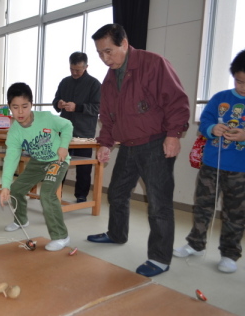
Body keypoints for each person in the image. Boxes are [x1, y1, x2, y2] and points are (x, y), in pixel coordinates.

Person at [86, 24, 190, 277]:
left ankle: (159, 258)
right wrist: (105, 144)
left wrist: (173, 135)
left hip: (155, 143)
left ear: (124, 43)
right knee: (118, 192)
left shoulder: (153, 64)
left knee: (158, 204)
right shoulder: (110, 79)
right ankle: (116, 233)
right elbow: (108, 117)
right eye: (100, 53)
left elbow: (177, 101)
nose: (104, 58)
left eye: (108, 51)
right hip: (129, 146)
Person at [173, 50, 245, 273]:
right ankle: (195, 244)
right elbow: (205, 122)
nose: (242, 86)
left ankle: (230, 254)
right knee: (203, 206)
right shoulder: (220, 98)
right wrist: (213, 129)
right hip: (212, 164)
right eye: (239, 81)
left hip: (240, 170)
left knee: (235, 212)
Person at [0, 82, 73, 251]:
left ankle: (62, 236)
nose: (20, 112)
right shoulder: (14, 132)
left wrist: (63, 145)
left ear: (31, 104)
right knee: (16, 189)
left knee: (47, 194)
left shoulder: (46, 118)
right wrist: (5, 186)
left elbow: (67, 125)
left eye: (24, 106)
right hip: (37, 162)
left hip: (57, 160)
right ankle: (21, 220)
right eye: (15, 107)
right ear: (9, 107)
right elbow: (11, 158)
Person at [53, 52, 101, 203]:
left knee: (84, 167)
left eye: (78, 70)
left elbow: (98, 108)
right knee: (60, 163)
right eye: (72, 69)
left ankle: (81, 196)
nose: (74, 72)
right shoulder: (64, 82)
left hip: (84, 133)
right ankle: (55, 192)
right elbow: (55, 101)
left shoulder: (94, 84)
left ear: (86, 67)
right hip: (64, 131)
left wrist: (78, 107)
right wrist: (58, 104)